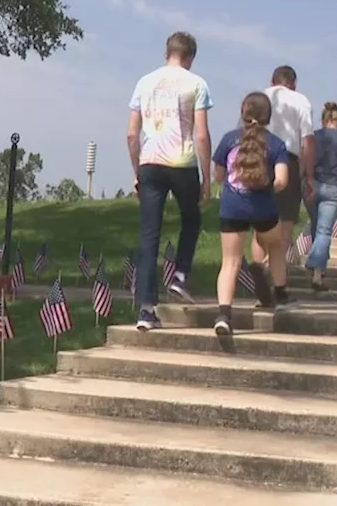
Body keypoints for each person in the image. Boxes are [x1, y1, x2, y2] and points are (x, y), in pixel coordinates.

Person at [126, 32, 213, 331]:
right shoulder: (196, 84)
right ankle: (179, 276)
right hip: (182, 162)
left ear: (167, 52)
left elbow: (131, 133)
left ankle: (146, 310)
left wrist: (137, 172)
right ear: (190, 57)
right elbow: (200, 133)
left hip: (149, 161)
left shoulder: (144, 82)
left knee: (149, 236)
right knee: (191, 218)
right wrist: (206, 179)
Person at [212, 92, 294, 335]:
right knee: (276, 245)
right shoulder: (276, 144)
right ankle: (280, 294)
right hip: (263, 209)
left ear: (243, 113)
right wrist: (264, 186)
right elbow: (281, 181)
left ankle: (224, 315)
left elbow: (218, 176)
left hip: (232, 207)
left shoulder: (228, 140)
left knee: (230, 261)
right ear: (268, 116)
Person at [250, 65, 315, 272]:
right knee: (285, 226)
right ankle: (275, 277)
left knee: (259, 229)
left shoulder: (258, 99)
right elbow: (308, 141)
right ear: (293, 83)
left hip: (258, 159)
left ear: (272, 81)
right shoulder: (300, 101)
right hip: (288, 162)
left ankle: (259, 274)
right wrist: (308, 176)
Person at [304, 102, 337, 288]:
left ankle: (319, 273)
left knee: (316, 227)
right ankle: (316, 267)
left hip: (311, 186)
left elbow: (304, 158)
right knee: (324, 231)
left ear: (324, 119)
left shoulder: (312, 137)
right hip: (334, 188)